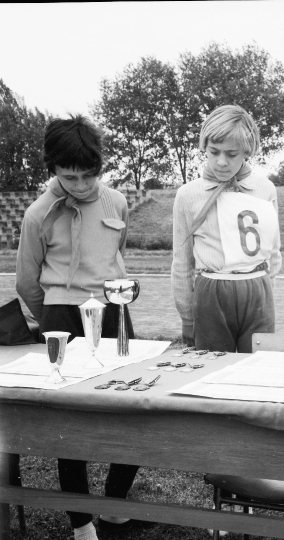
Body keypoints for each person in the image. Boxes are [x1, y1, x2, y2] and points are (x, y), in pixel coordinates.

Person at [16, 115, 147, 540]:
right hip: (61, 316)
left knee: (132, 410)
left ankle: (112, 507)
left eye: (90, 175)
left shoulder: (117, 202)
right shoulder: (38, 214)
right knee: (68, 422)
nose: (81, 184)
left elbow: (116, 258)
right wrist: (52, 322)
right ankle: (81, 525)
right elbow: (26, 282)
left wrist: (117, 309)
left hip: (112, 312)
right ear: (52, 168)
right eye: (70, 176)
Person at [171, 104, 282, 353]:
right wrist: (187, 316)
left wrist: (265, 292)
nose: (221, 162)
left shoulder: (265, 189)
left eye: (231, 154)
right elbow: (181, 262)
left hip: (257, 290)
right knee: (211, 372)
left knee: (256, 369)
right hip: (211, 292)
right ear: (204, 148)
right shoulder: (188, 195)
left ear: (246, 151)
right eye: (214, 152)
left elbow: (274, 252)